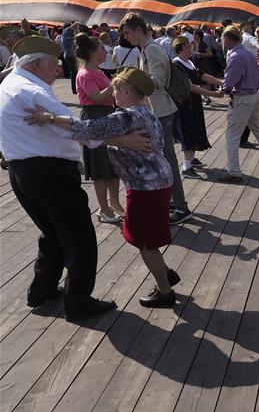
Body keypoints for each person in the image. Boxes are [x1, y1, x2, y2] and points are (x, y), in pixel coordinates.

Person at [0, 36, 146, 320]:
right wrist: (123, 140)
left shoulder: (7, 85)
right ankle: (78, 304)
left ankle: (40, 292)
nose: (57, 70)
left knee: (52, 233)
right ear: (37, 63)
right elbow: (81, 129)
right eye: (53, 65)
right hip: (50, 173)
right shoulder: (34, 92)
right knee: (79, 238)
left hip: (21, 173)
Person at [27, 67, 181, 307]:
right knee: (145, 235)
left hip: (146, 186)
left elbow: (88, 129)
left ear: (127, 90)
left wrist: (50, 118)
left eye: (116, 89)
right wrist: (120, 141)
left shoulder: (125, 116)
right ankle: (166, 273)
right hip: (155, 181)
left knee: (145, 242)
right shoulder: (146, 113)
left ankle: (165, 291)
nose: (112, 94)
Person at [120, 12, 192, 225]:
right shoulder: (148, 49)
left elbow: (158, 81)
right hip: (159, 110)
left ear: (139, 30)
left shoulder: (151, 49)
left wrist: (133, 80)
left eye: (127, 33)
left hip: (160, 111)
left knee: (167, 160)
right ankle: (174, 201)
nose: (126, 37)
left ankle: (181, 207)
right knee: (164, 158)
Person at [217, 25, 259, 183]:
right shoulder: (248, 53)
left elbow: (229, 82)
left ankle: (234, 171)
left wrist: (222, 88)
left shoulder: (235, 56)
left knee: (232, 135)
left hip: (241, 99)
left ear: (227, 39)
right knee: (258, 130)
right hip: (253, 96)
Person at [74, 33, 125, 224]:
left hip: (105, 117)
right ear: (93, 52)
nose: (106, 51)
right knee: (99, 168)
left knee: (111, 165)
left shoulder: (97, 70)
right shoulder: (85, 73)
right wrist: (114, 83)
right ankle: (104, 209)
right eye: (103, 48)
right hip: (95, 119)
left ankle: (114, 204)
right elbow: (97, 97)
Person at [172, 36, 221, 179]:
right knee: (188, 131)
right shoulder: (177, 65)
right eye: (187, 46)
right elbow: (190, 86)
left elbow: (203, 76)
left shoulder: (189, 63)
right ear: (180, 49)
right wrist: (212, 93)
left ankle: (191, 159)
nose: (191, 48)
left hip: (193, 102)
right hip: (185, 104)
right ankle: (186, 167)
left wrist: (221, 82)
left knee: (195, 128)